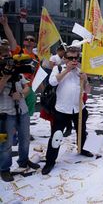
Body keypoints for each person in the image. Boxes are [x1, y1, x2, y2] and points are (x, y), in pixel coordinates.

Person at [42, 47, 93, 175]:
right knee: (56, 136)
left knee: (81, 132)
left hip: (78, 109)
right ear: (65, 59)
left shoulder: (81, 70)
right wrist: (67, 70)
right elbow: (52, 82)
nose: (74, 60)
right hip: (62, 110)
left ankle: (81, 149)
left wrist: (85, 79)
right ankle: (50, 161)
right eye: (71, 58)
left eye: (76, 58)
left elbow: (88, 91)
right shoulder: (58, 69)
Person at [0, 45, 40, 182]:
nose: (6, 58)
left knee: (25, 138)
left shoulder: (18, 70)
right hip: (5, 113)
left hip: (22, 110)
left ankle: (23, 161)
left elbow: (27, 87)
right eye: (3, 55)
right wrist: (5, 77)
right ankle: (4, 169)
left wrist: (21, 94)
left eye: (8, 55)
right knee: (6, 143)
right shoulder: (4, 71)